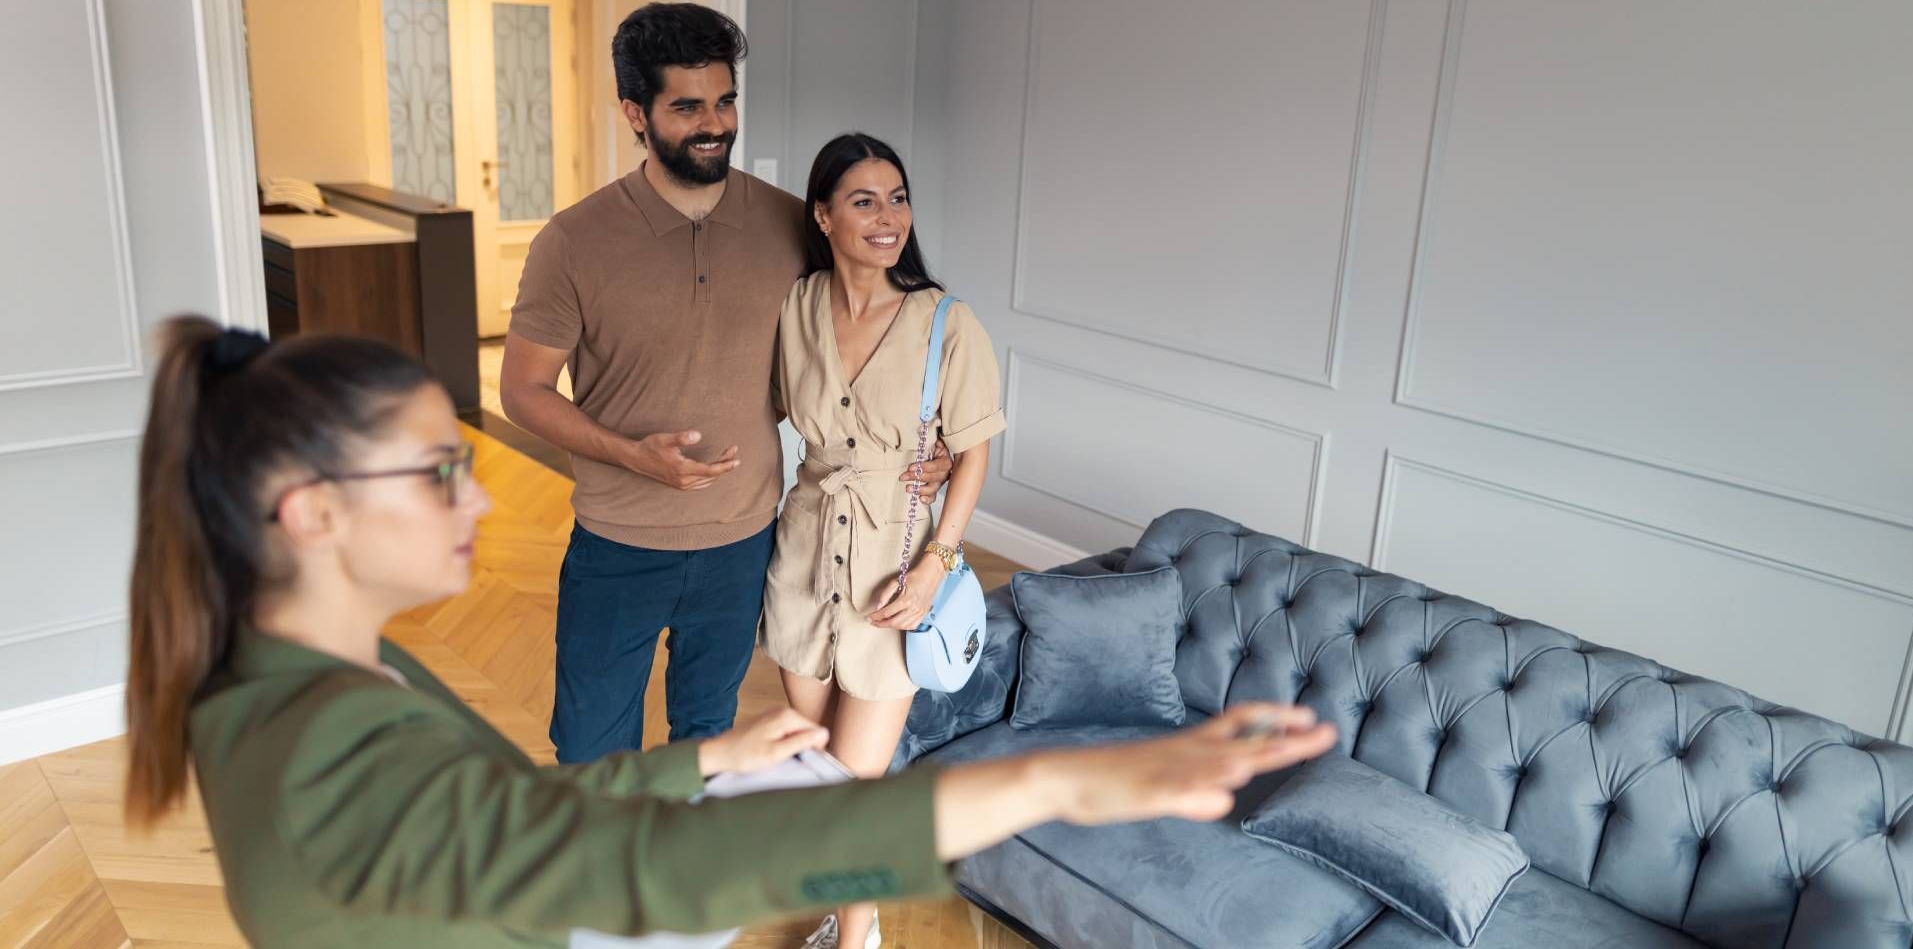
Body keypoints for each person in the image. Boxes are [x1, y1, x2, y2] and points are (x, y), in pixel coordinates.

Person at [123, 316, 1340, 948]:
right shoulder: (328, 747)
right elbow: (653, 872)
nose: (483, 492)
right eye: (442, 469)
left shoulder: (295, 671)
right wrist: (1059, 781)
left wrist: (703, 758)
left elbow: (512, 821)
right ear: (314, 512)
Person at [499, 2, 952, 764]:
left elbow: (863, 349)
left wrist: (921, 447)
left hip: (744, 543)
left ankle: (687, 874)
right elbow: (523, 392)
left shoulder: (790, 227)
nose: (713, 123)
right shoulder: (572, 242)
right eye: (687, 107)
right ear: (634, 114)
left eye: (725, 100)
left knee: (707, 736)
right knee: (589, 743)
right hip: (618, 545)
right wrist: (632, 455)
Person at [760, 134, 1000, 949]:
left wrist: (938, 565)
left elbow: (974, 453)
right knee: (819, 767)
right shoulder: (794, 307)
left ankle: (859, 932)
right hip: (801, 559)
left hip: (893, 577)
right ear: (823, 215)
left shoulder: (946, 322)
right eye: (864, 201)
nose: (888, 217)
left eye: (898, 198)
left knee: (857, 783)